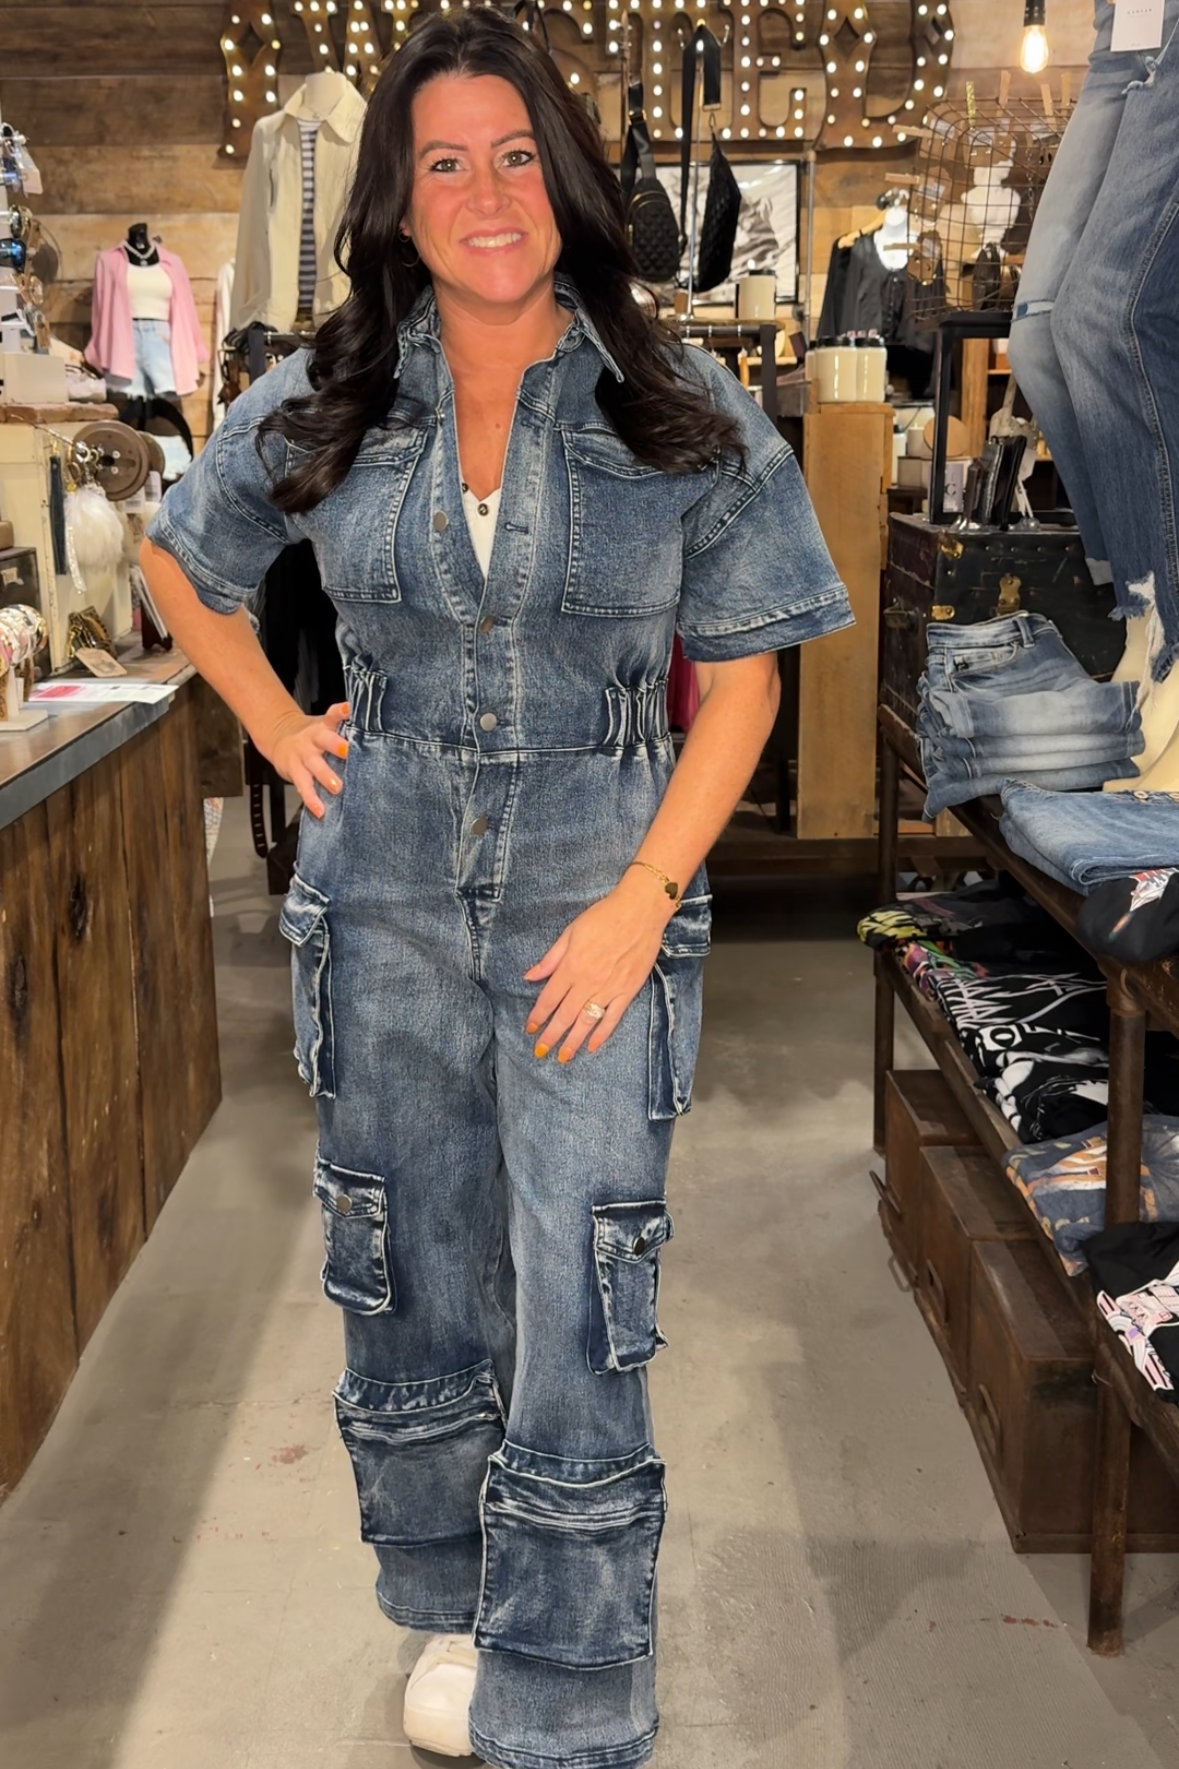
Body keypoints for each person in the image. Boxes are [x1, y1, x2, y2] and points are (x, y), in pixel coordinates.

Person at [140, 12, 851, 1767]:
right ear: (396, 200)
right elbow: (180, 558)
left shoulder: (673, 403)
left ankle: (575, 1667)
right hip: (377, 887)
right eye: (445, 163)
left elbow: (744, 682)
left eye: (517, 156)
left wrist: (643, 894)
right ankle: (457, 1605)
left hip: (594, 882)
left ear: (568, 182)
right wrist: (277, 726)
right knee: (410, 1257)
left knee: (583, 1269)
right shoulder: (331, 394)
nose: (484, 194)